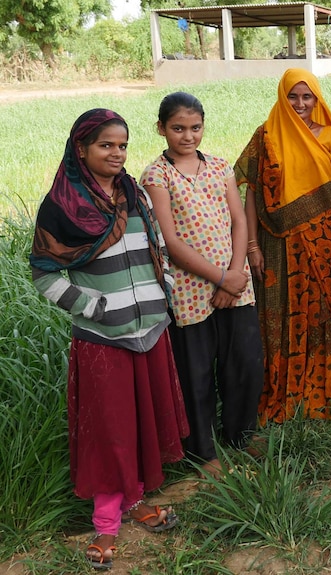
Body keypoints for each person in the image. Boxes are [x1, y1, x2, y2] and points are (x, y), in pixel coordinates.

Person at [30, 109, 187, 570]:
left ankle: (136, 501)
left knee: (140, 421)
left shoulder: (132, 193)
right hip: (103, 336)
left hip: (150, 328)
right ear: (81, 149)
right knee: (109, 430)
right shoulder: (63, 206)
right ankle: (105, 524)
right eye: (106, 146)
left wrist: (164, 293)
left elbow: (154, 246)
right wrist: (91, 306)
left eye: (122, 145)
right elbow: (43, 273)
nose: (117, 154)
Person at [142, 92, 263, 479]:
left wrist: (234, 274)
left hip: (236, 281)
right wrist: (220, 278)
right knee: (195, 372)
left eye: (195, 127)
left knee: (243, 360)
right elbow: (172, 241)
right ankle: (203, 449)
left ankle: (242, 432)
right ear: (161, 128)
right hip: (190, 291)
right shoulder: (156, 175)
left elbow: (239, 221)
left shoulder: (219, 166)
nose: (187, 136)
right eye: (178, 128)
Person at [234, 69, 331, 424]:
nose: (301, 104)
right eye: (293, 96)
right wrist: (252, 246)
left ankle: (320, 382)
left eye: (308, 97)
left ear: (317, 99)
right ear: (282, 97)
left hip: (324, 240)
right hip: (277, 245)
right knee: (278, 312)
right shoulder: (266, 136)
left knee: (320, 311)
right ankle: (280, 382)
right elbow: (252, 195)